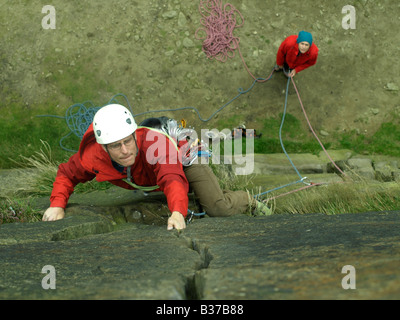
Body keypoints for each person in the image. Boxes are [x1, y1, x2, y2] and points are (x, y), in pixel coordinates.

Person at [42, 104, 271, 230]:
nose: (125, 150)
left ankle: (248, 200)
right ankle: (207, 196)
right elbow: (67, 174)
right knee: (197, 201)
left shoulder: (156, 145)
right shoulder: (93, 157)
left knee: (217, 209)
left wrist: (177, 213)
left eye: (128, 141)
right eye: (115, 146)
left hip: (184, 159)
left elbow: (172, 178)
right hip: (153, 179)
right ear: (103, 147)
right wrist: (57, 204)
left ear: (134, 134)